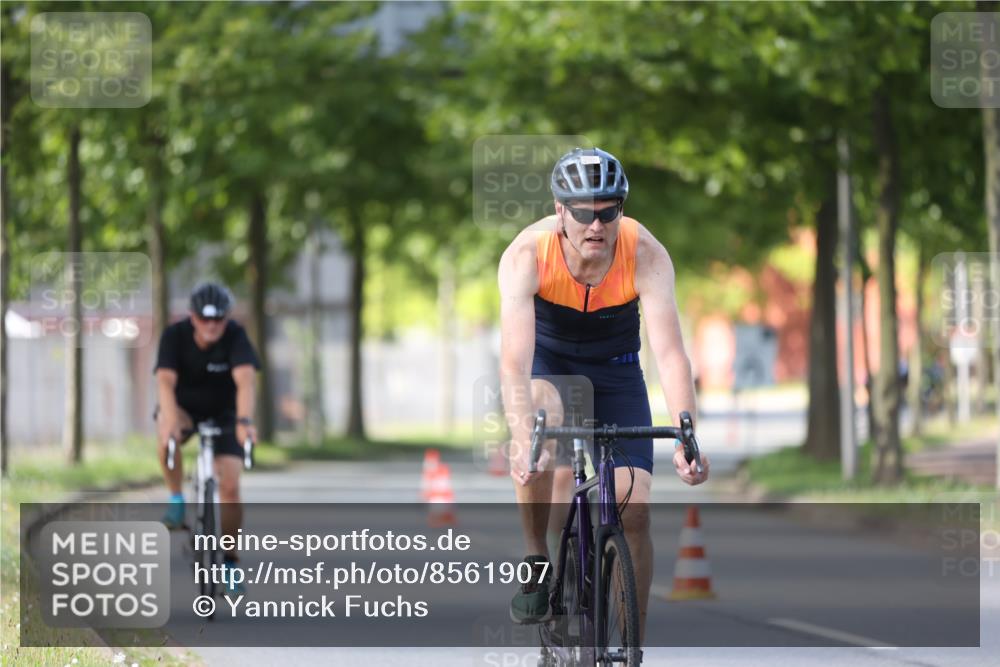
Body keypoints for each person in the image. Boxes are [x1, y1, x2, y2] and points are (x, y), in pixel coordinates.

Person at [498, 147, 710, 633]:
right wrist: (518, 432)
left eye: (609, 211)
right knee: (536, 433)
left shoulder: (647, 254)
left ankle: (629, 641)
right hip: (550, 365)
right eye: (583, 214)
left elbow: (672, 354)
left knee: (633, 506)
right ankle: (536, 559)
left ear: (621, 209)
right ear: (559, 212)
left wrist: (688, 436)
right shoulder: (527, 255)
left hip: (617, 371)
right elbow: (513, 359)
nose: (597, 225)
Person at [154, 281, 260, 595]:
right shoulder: (174, 337)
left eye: (218, 319)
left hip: (225, 413)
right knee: (166, 432)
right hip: (185, 408)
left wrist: (244, 421)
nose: (212, 325)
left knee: (230, 485)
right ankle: (176, 500)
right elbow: (164, 381)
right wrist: (171, 419)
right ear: (192, 316)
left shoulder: (236, 336)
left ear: (227, 318)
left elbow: (245, 381)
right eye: (204, 319)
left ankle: (229, 562)